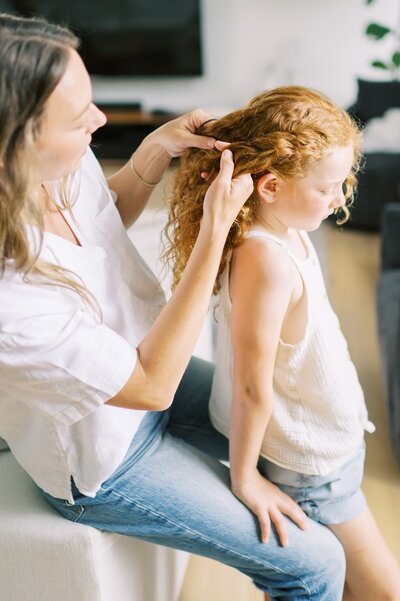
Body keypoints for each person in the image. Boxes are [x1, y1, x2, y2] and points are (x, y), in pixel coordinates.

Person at [0, 13, 351, 601]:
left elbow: (97, 220)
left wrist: (156, 147)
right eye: (78, 115)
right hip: (109, 452)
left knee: (307, 459)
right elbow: (150, 386)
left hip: (145, 367)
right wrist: (213, 234)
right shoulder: (11, 301)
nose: (101, 119)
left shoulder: (53, 165)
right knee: (313, 566)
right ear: (15, 141)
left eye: (93, 98)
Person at [165, 86, 400, 601]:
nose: (340, 198)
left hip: (327, 447)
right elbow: (253, 386)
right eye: (328, 187)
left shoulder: (282, 227)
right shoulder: (264, 259)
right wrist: (246, 479)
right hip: (311, 465)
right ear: (269, 186)